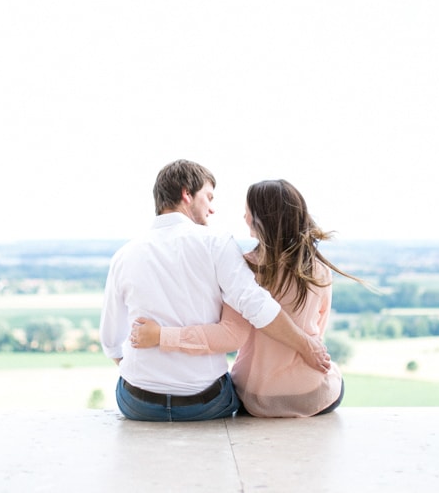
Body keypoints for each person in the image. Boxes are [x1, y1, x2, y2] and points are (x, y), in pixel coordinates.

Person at [99, 160, 330, 422]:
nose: (212, 207)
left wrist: (144, 378)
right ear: (187, 194)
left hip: (137, 403)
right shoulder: (217, 243)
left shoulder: (123, 256)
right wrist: (306, 346)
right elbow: (252, 313)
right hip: (205, 402)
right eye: (208, 197)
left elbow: (110, 342)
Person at [131, 179, 365, 417]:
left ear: (260, 220)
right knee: (334, 377)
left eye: (247, 212)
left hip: (255, 397)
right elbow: (318, 331)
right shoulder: (318, 270)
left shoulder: (244, 268)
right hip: (311, 393)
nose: (244, 218)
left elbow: (234, 334)